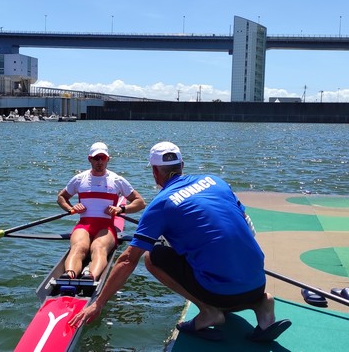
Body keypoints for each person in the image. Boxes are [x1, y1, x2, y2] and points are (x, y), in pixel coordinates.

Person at [68, 141, 290, 342]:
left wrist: (98, 303)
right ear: (182, 164)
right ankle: (262, 304)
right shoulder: (216, 181)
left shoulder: (161, 204)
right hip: (258, 282)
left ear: (155, 172)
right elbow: (245, 224)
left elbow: (127, 260)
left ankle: (209, 312)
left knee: (153, 256)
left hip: (222, 296)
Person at [57, 142, 145, 281]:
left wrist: (121, 209)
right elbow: (61, 197)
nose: (99, 162)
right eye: (96, 158)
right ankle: (70, 275)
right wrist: (71, 208)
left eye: (102, 158)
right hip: (83, 225)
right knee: (79, 247)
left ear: (108, 159)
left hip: (106, 227)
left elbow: (140, 202)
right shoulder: (79, 179)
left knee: (98, 248)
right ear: (89, 159)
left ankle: (91, 276)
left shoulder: (117, 180)